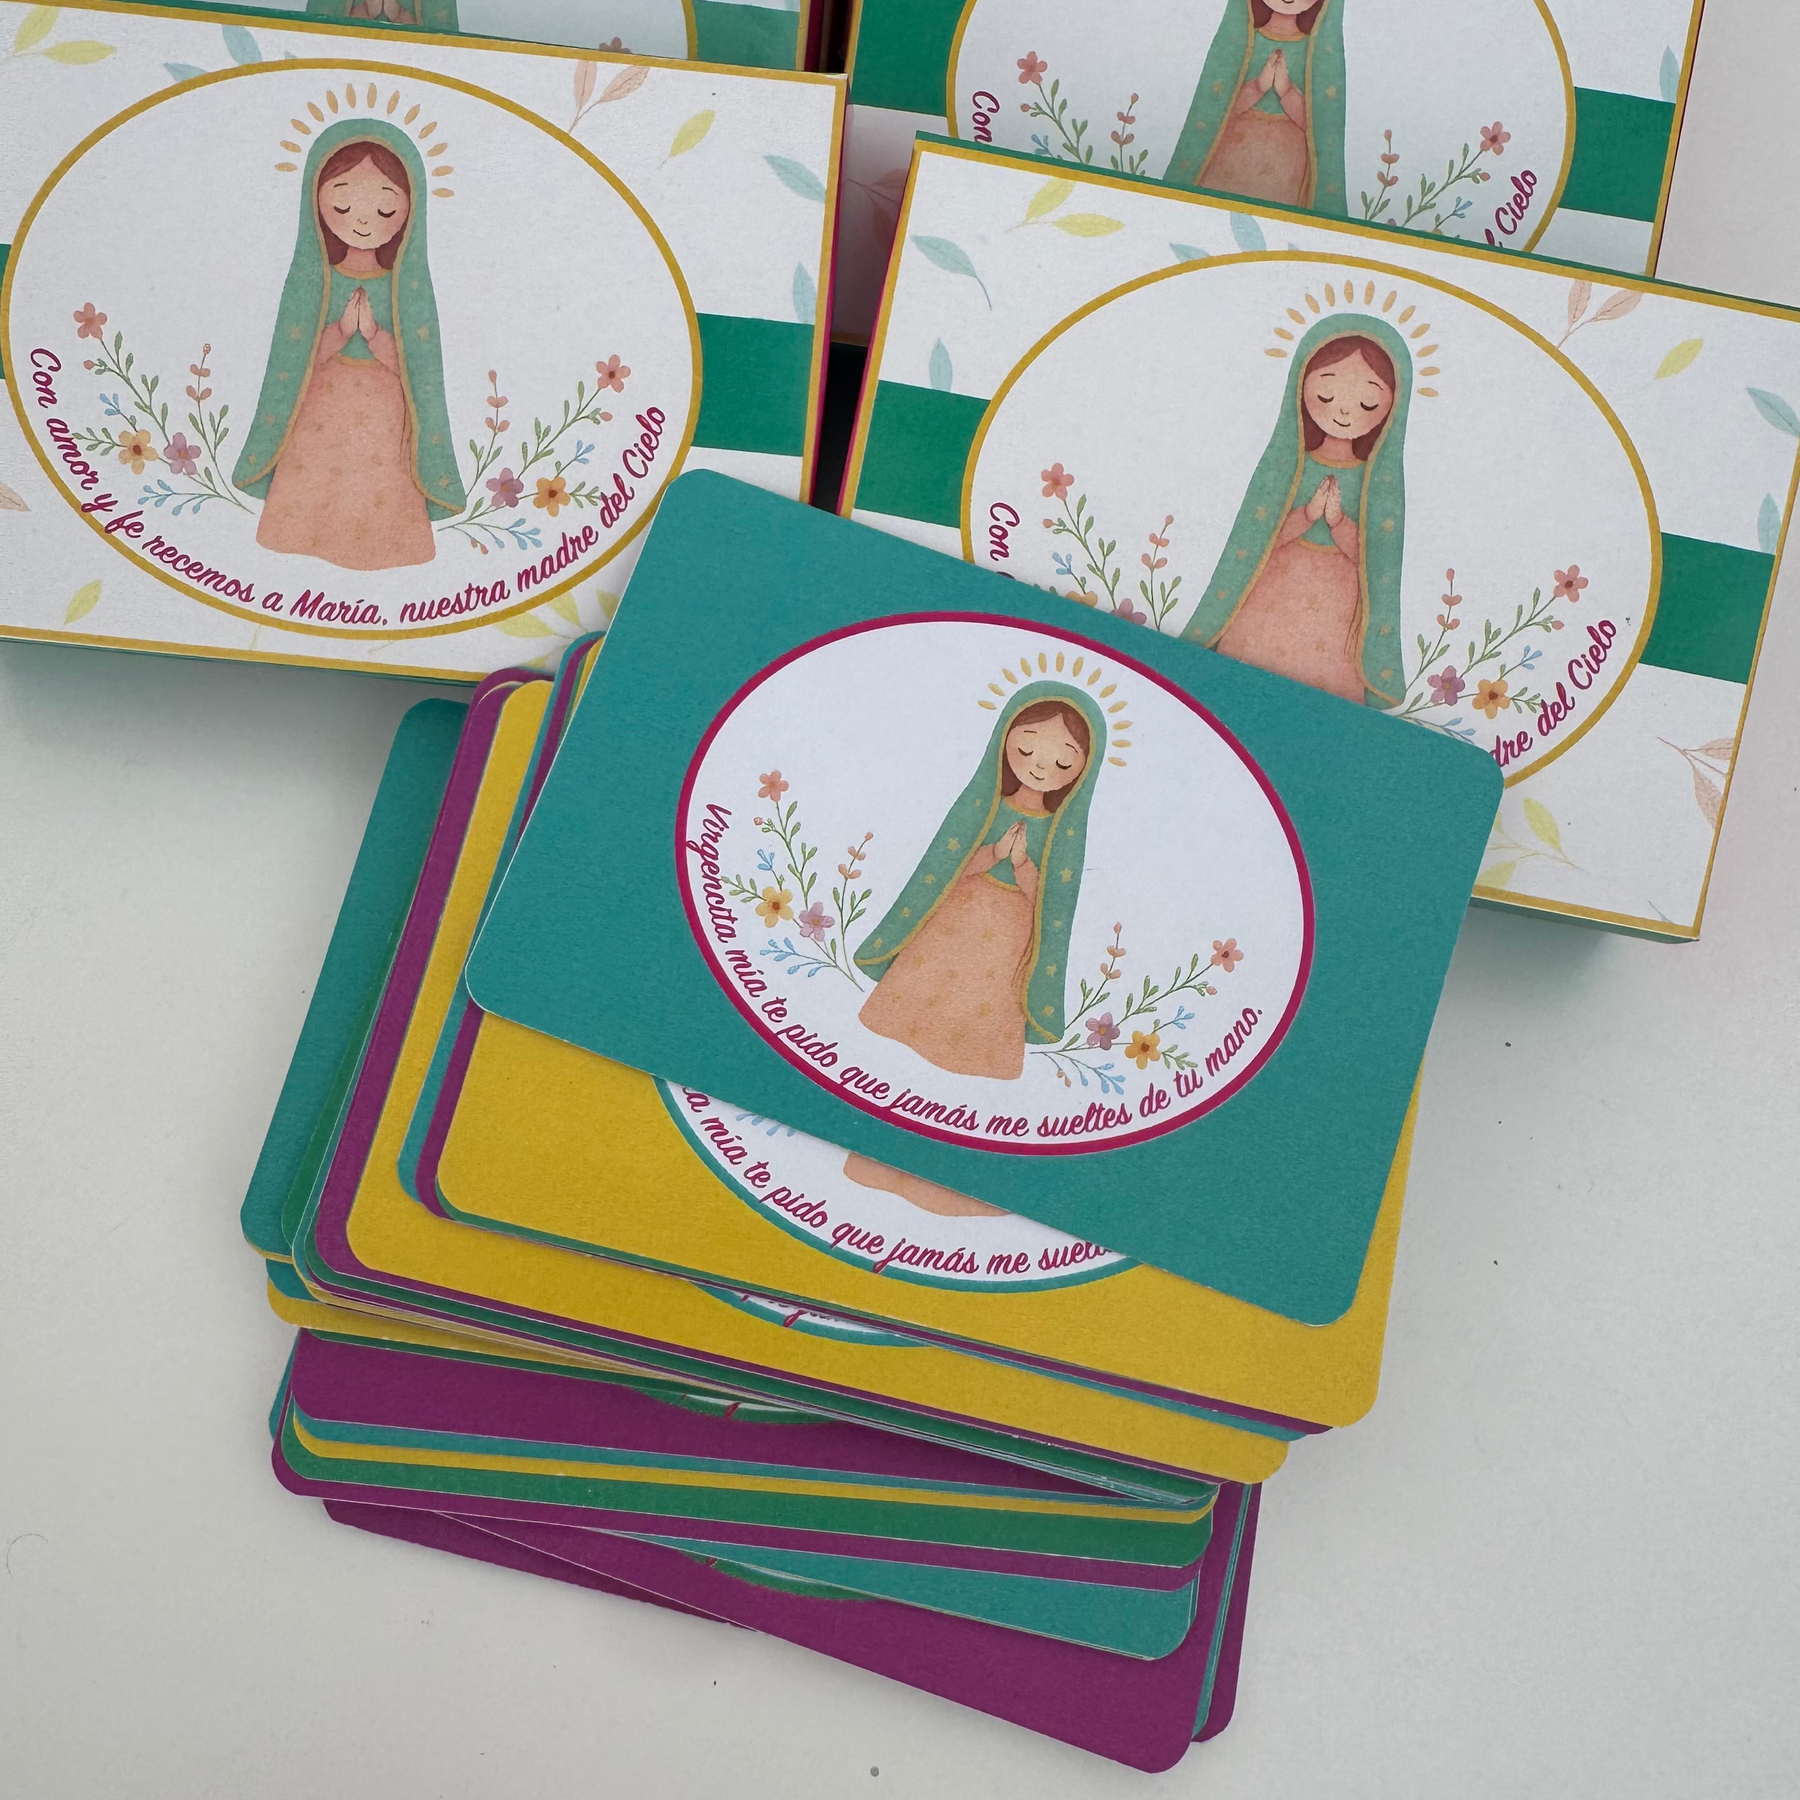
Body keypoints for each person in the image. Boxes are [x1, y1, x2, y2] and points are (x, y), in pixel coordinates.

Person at [233, 119, 464, 569]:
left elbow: (419, 365)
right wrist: (339, 332)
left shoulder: (405, 286)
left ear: (409, 211)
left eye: (384, 209)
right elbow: (293, 354)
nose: (362, 220)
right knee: (316, 473)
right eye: (342, 203)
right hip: (321, 402)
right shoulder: (314, 279)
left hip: (384, 407)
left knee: (377, 479)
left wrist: (374, 336)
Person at [854, 686, 1107, 1081]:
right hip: (959, 910)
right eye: (1027, 749)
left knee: (985, 992)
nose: (1041, 767)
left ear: (1082, 769)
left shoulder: (1060, 831)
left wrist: (1021, 865)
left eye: (1061, 761)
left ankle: (971, 1059)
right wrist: (993, 853)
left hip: (1011, 929)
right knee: (934, 972)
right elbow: (948, 866)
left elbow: (1052, 901)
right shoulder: (985, 805)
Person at [1182, 318, 1411, 706]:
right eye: (1326, 393)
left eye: (1367, 402)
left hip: (1338, 597)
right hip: (1275, 582)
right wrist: (1306, 515)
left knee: (1319, 686)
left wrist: (1338, 523)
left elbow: (1374, 561)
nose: (1344, 410)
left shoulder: (1374, 479)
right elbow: (1258, 537)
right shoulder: (1289, 463)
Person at [1164, 0, 1348, 215]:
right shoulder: (1244, 39)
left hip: (1285, 165)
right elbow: (1218, 107)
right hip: (1233, 152)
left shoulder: (1316, 51)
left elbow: (1318, 126)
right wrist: (1258, 86)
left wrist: (1287, 91)